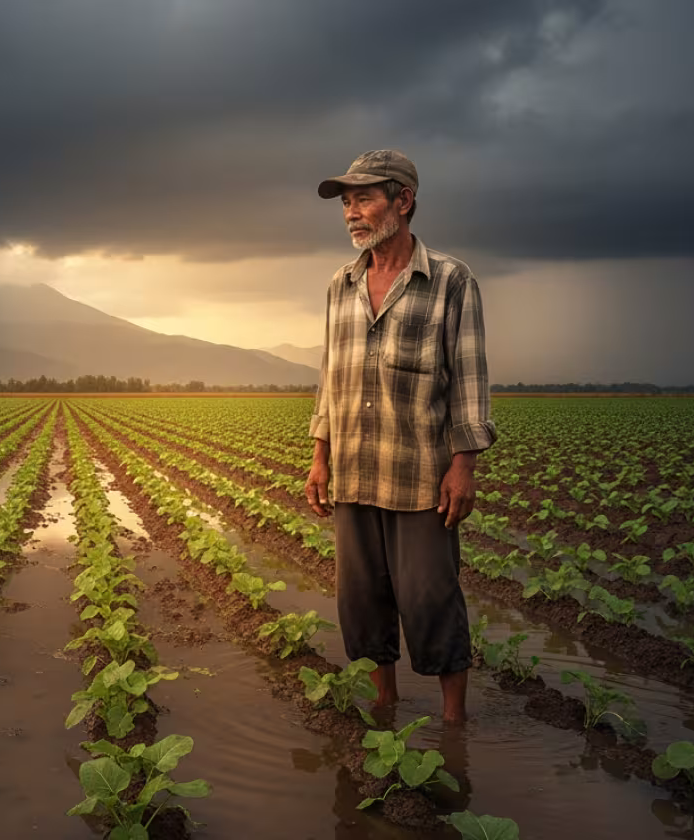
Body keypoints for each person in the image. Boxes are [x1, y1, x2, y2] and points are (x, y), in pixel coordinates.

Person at [305, 148, 498, 723]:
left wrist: (463, 466)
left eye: (363, 198)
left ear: (404, 200)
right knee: (362, 600)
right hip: (356, 470)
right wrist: (320, 456)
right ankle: (384, 699)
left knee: (431, 598)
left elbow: (468, 379)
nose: (351, 213)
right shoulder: (341, 284)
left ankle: (452, 719)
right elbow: (329, 377)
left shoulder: (450, 280)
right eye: (346, 202)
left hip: (419, 474)